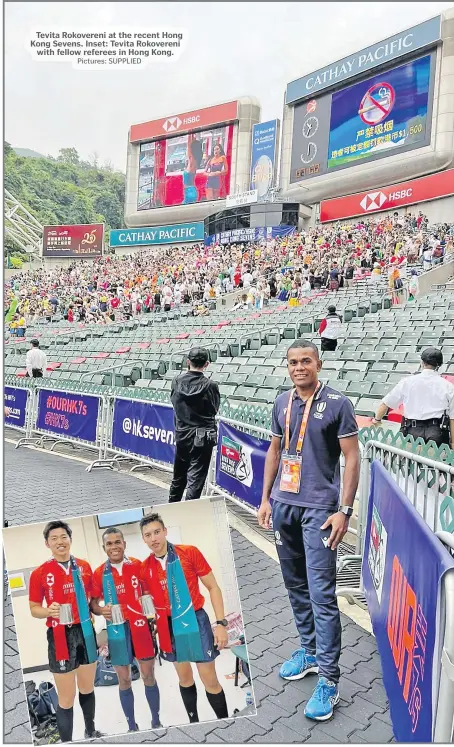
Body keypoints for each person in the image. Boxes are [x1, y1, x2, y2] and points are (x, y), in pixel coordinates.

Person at [257, 339, 360, 721]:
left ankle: (330, 680)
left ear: (318, 364)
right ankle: (310, 652)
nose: (299, 367)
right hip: (284, 505)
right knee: (295, 586)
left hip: (319, 511)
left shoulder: (338, 404)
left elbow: (352, 457)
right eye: (293, 362)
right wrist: (266, 499)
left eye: (305, 361)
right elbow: (275, 450)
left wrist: (343, 511)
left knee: (321, 594)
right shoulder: (282, 402)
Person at [139, 513, 229, 724]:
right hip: (168, 625)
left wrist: (221, 624)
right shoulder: (144, 568)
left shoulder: (188, 552)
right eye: (148, 535)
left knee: (210, 679)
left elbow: (213, 587)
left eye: (157, 532)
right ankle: (194, 723)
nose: (154, 538)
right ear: (143, 539)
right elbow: (147, 603)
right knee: (185, 678)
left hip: (195, 620)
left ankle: (226, 723)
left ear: (165, 531)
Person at [28, 521, 103, 742]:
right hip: (60, 633)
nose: (60, 542)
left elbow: (92, 602)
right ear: (47, 543)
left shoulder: (84, 566)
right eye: (54, 538)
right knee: (66, 697)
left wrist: (102, 609)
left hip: (86, 631)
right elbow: (34, 609)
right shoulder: (40, 573)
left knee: (88, 687)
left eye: (64, 537)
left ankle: (90, 730)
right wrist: (48, 611)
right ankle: (66, 741)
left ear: (70, 539)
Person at [91, 527, 162, 733]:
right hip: (116, 631)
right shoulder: (99, 573)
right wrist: (100, 609)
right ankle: (132, 726)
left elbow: (149, 594)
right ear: (104, 548)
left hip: (140, 627)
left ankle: (156, 721)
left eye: (117, 542)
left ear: (124, 543)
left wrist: (153, 617)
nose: (114, 546)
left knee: (148, 675)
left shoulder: (138, 566)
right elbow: (93, 604)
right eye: (109, 543)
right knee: (124, 679)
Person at [372, 347, 454, 447]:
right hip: (436, 432)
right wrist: (452, 442)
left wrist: (377, 420)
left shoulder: (407, 382)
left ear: (422, 362)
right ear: (440, 365)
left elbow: (385, 404)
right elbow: (452, 418)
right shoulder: (448, 386)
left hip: (412, 431)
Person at [169, 347, 220, 502]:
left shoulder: (177, 381)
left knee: (178, 478)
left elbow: (175, 404)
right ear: (207, 364)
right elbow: (213, 409)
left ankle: (170, 509)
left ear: (188, 362)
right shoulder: (210, 385)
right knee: (195, 482)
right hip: (202, 437)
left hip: (183, 434)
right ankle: (189, 514)